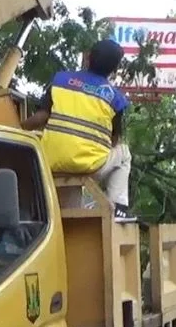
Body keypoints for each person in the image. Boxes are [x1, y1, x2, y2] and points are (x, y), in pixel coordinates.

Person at [22, 39, 134, 221]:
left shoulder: (61, 80)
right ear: (114, 70)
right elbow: (114, 140)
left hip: (51, 160)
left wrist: (16, 128)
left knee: (41, 137)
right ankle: (118, 210)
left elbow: (41, 117)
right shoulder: (115, 98)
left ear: (88, 57)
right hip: (89, 165)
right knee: (124, 153)